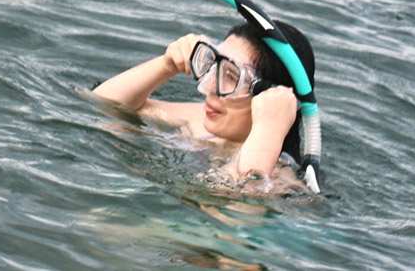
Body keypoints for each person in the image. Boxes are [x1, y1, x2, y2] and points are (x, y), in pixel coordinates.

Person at [91, 15, 316, 188]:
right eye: (213, 68)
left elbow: (236, 210)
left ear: (270, 97)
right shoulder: (202, 121)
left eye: (231, 77)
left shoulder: (279, 177)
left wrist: (268, 129)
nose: (208, 87)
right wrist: (166, 65)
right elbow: (101, 104)